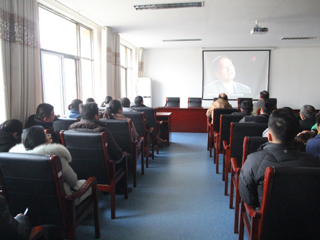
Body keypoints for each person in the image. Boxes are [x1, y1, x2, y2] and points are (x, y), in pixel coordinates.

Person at [239, 109, 320, 209]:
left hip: (267, 222)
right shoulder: (313, 162)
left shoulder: (253, 160)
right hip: (307, 221)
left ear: (269, 136)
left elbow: (249, 199)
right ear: (296, 135)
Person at [9, 126, 91, 205]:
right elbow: (73, 181)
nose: (49, 138)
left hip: (29, 201)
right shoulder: (55, 157)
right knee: (89, 183)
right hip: (61, 200)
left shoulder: (16, 158)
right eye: (47, 136)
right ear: (44, 141)